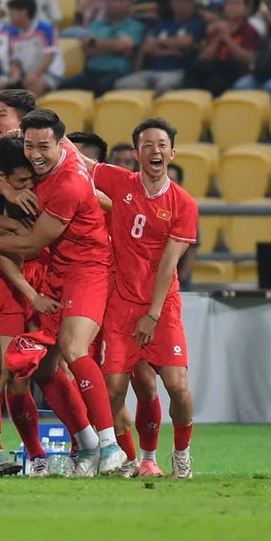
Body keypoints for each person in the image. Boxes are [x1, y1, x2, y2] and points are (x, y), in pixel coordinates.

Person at [0, 109, 129, 477]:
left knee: (74, 348)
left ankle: (112, 447)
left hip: (87, 268)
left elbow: (31, 243)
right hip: (56, 270)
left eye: (44, 147)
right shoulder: (34, 161)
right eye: (30, 146)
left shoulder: (68, 183)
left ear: (61, 144)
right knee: (42, 368)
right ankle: (88, 444)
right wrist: (8, 190)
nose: (36, 154)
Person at [93, 114, 200, 478]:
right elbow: (81, 164)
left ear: (172, 153)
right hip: (121, 305)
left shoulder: (183, 203)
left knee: (177, 386)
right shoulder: (120, 183)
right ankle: (132, 459)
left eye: (161, 145)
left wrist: (152, 314)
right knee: (114, 390)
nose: (155, 150)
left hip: (161, 306)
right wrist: (50, 138)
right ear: (137, 153)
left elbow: (170, 262)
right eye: (147, 145)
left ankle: (181, 454)